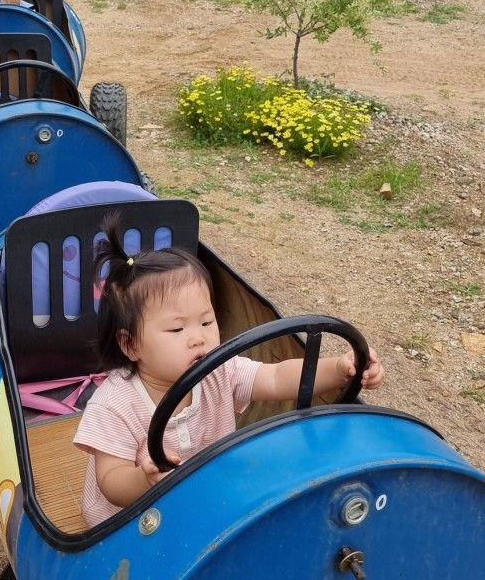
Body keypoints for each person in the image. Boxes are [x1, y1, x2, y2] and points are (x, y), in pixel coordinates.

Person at [73, 213, 385, 527]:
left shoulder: (217, 371)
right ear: (131, 346)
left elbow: (276, 377)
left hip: (200, 497)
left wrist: (338, 368)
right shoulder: (114, 404)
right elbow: (110, 479)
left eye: (207, 321)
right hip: (130, 522)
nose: (198, 338)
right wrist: (143, 479)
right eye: (177, 330)